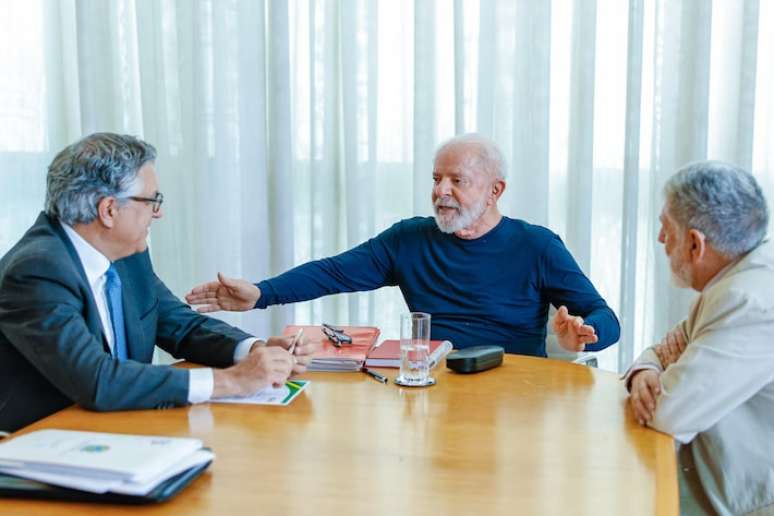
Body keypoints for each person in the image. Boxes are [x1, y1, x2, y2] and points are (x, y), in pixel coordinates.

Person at [187, 134, 620, 356]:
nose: (441, 191)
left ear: (495, 190)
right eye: (436, 179)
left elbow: (607, 319)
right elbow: (334, 271)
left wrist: (584, 335)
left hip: (513, 385)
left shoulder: (537, 245)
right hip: (430, 383)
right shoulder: (409, 238)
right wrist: (262, 294)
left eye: (457, 181)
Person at [0, 133, 319, 432]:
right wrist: (233, 381)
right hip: (47, 446)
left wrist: (254, 352)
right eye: (152, 200)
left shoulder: (125, 253)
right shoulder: (36, 270)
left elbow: (180, 325)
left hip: (123, 429)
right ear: (109, 210)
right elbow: (96, 380)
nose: (159, 213)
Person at [625, 161, 774, 515]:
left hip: (750, 499)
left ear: (696, 244)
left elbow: (667, 411)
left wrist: (653, 376)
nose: (660, 239)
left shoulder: (746, 300)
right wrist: (644, 371)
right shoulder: (742, 272)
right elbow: (663, 349)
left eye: (666, 228)